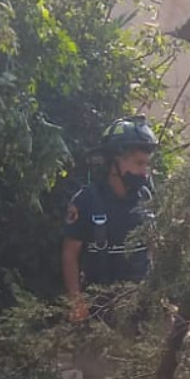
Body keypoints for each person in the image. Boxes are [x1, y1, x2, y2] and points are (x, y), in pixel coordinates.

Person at [62, 115, 158, 324]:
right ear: (115, 160)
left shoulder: (145, 197)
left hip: (138, 309)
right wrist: (76, 302)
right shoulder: (87, 200)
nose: (144, 172)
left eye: (147, 164)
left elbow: (152, 247)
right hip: (98, 310)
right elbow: (70, 254)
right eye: (139, 163)